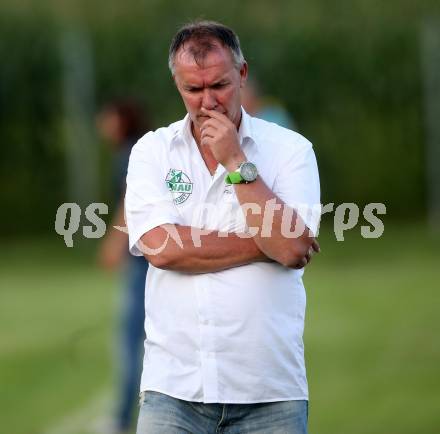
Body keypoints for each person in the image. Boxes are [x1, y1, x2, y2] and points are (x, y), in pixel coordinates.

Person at [125, 21, 321, 434]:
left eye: (219, 85)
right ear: (176, 84)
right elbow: (163, 250)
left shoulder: (291, 150)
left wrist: (236, 161)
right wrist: (266, 243)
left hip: (269, 393)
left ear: (243, 74)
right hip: (173, 390)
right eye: (193, 90)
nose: (208, 102)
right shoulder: (152, 151)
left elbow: (290, 249)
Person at [96, 100, 149, 433]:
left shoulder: (130, 153)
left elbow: (131, 200)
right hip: (148, 258)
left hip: (142, 260)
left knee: (129, 341)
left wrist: (115, 242)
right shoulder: (134, 149)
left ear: (121, 119)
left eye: (106, 115)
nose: (101, 123)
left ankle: (120, 418)